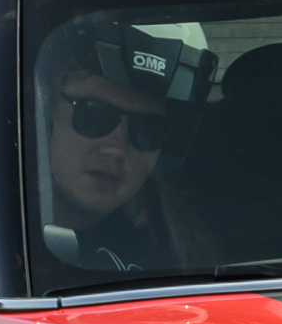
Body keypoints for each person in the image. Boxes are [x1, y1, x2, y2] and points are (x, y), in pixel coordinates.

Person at [34, 18, 202, 277]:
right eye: (95, 115)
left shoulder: (182, 258)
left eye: (147, 129)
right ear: (45, 114)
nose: (117, 148)